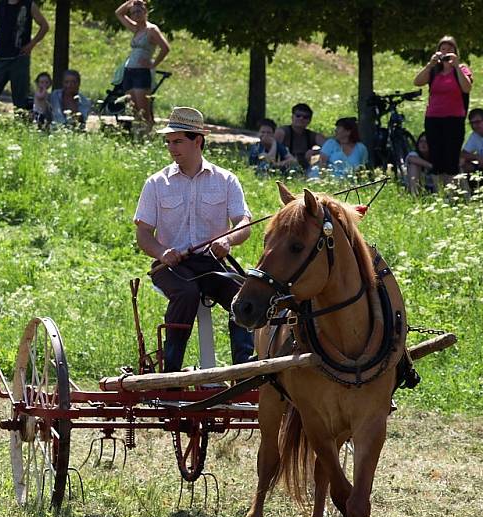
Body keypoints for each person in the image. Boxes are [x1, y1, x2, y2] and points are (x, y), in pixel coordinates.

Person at [134, 107, 254, 373]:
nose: (171, 147)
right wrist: (163, 253)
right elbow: (143, 234)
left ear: (197, 140)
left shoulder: (226, 180)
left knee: (246, 297)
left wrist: (228, 241)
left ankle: (245, 372)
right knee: (187, 294)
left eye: (177, 141)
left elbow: (244, 224)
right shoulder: (155, 183)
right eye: (168, 141)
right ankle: (170, 375)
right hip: (171, 267)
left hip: (212, 265)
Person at [413, 35, 473, 186]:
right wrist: (429, 65)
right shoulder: (434, 70)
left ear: (455, 52)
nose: (446, 53)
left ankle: (453, 193)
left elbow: (467, 88)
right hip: (433, 118)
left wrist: (456, 66)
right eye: (443, 49)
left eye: (449, 49)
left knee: (451, 158)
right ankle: (440, 193)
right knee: (436, 158)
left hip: (454, 119)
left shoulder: (462, 68)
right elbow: (417, 82)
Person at [0, 0, 49, 111]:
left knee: (21, 98)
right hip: (1, 58)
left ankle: (22, 123)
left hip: (20, 58)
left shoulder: (29, 5)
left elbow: (44, 26)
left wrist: (31, 45)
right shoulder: (0, 6)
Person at [114, 0, 170, 128]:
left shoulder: (151, 30)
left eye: (139, 11)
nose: (136, 15)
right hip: (129, 72)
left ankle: (148, 136)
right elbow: (119, 13)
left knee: (144, 112)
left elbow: (165, 48)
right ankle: (138, 137)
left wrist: (153, 64)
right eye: (133, 13)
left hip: (142, 72)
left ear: (145, 12)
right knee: (134, 112)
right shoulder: (135, 28)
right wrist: (131, 2)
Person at [274, 103, 326, 173]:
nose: (301, 119)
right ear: (292, 117)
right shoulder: (282, 132)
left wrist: (315, 152)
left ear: (309, 120)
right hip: (281, 168)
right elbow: (271, 149)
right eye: (298, 116)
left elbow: (330, 145)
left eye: (305, 117)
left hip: (304, 170)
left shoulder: (311, 135)